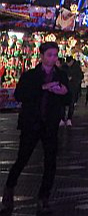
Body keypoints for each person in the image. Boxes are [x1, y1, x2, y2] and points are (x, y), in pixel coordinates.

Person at [2, 42, 70, 215]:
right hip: (31, 123)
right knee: (22, 159)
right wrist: (43, 88)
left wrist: (64, 93)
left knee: (50, 163)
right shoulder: (31, 75)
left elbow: (68, 98)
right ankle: (9, 191)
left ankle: (44, 198)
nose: (52, 58)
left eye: (55, 55)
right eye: (49, 55)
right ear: (41, 56)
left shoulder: (61, 75)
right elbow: (20, 95)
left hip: (50, 125)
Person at [61, 56, 84, 126]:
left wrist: (73, 79)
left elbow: (80, 76)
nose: (69, 64)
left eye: (70, 63)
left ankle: (69, 119)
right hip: (64, 88)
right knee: (62, 104)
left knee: (71, 104)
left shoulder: (76, 67)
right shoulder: (64, 67)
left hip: (73, 88)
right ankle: (62, 119)